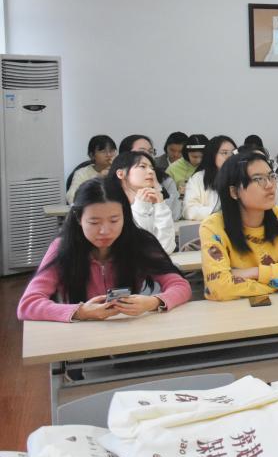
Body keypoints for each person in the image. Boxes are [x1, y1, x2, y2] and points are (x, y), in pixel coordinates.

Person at [18, 177, 190, 322]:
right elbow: (28, 304)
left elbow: (180, 285)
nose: (105, 231)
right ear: (78, 218)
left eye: (114, 220)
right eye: (94, 222)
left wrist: (154, 302)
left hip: (128, 330)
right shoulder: (62, 248)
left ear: (125, 215)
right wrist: (80, 312)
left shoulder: (140, 242)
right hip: (80, 335)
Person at [199, 149, 278, 301]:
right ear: (234, 192)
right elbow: (219, 288)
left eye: (271, 176)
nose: (270, 185)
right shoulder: (213, 227)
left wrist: (255, 273)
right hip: (236, 312)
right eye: (258, 179)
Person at [107, 151, 176, 253]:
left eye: (152, 168)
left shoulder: (151, 203)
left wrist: (161, 206)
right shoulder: (109, 207)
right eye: (142, 166)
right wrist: (141, 207)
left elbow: (166, 248)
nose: (151, 171)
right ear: (121, 174)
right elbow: (139, 249)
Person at [118, 134, 182, 220]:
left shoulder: (165, 180)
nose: (148, 155)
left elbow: (175, 214)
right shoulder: (114, 183)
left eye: (151, 152)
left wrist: (157, 187)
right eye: (142, 151)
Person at [183, 135, 236, 221]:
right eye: (224, 153)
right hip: (210, 225)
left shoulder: (242, 175)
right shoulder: (198, 178)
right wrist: (219, 213)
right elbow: (189, 211)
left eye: (233, 153)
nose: (230, 157)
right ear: (212, 155)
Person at [66, 135, 117, 204]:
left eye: (112, 151)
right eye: (103, 151)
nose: (109, 155)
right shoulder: (82, 173)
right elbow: (71, 197)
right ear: (91, 155)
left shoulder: (120, 171)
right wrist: (98, 178)